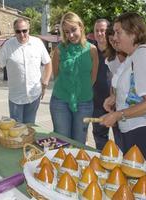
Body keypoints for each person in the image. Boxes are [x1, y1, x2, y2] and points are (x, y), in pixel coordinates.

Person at [101, 12, 146, 166]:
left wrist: (118, 114)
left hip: (142, 130)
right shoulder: (133, 56)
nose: (114, 37)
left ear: (133, 33)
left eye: (118, 32)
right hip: (132, 128)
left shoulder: (142, 55)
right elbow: (133, 90)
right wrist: (115, 98)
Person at [0, 18, 52, 123]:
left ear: (29, 30)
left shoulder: (37, 43)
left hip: (34, 96)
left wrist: (45, 81)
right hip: (16, 98)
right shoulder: (8, 45)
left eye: (24, 31)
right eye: (18, 31)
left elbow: (48, 62)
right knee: (17, 131)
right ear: (14, 31)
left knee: (30, 128)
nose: (22, 34)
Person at [50, 12, 98, 144]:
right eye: (66, 32)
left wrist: (79, 91)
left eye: (73, 30)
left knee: (79, 142)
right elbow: (56, 75)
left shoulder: (92, 50)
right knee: (62, 142)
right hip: (60, 101)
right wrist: (69, 89)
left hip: (84, 102)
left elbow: (92, 78)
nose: (70, 35)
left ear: (81, 27)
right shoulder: (59, 50)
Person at [104, 25, 127, 151]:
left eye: (116, 39)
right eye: (111, 41)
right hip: (118, 105)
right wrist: (112, 98)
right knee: (120, 140)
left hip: (133, 108)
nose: (114, 43)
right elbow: (113, 83)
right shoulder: (111, 60)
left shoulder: (134, 56)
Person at [91, 19, 112, 150]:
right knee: (100, 138)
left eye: (103, 30)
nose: (100, 33)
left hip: (115, 103)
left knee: (121, 138)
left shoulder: (117, 50)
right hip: (96, 103)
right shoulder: (89, 51)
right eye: (97, 30)